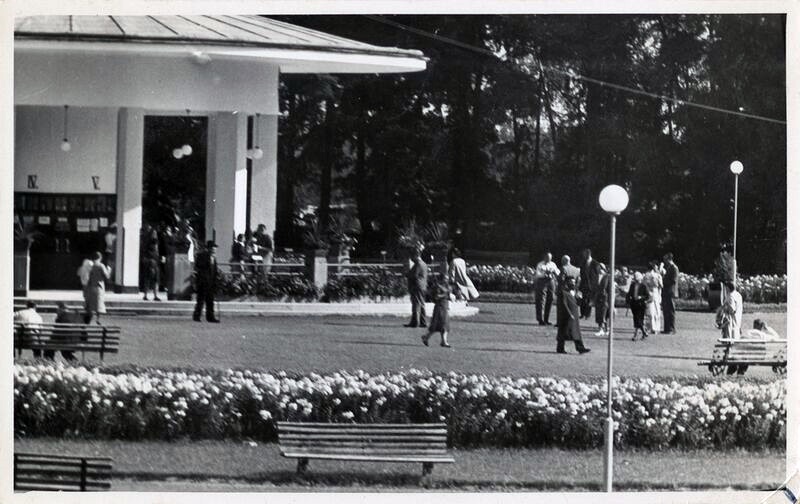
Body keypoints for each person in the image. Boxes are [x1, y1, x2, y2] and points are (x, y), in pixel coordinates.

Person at [556, 277, 590, 354]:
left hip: (574, 314)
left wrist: (580, 298)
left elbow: (576, 303)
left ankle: (580, 348)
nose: (573, 284)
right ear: (567, 282)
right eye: (571, 282)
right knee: (564, 332)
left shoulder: (573, 292)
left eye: (574, 282)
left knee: (575, 332)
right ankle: (560, 348)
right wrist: (569, 314)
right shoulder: (563, 292)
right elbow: (564, 304)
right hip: (566, 315)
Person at [716, 281, 744, 374]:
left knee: (728, 343)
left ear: (728, 288)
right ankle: (733, 363)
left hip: (730, 323)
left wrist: (723, 308)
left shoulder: (730, 296)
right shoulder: (738, 295)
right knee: (734, 343)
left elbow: (732, 309)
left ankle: (730, 364)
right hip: (737, 322)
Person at [193, 241, 221, 323]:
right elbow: (199, 266)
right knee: (201, 300)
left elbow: (214, 271)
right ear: (208, 248)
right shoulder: (202, 255)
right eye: (213, 247)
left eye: (215, 248)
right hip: (203, 281)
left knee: (210, 300)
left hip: (211, 282)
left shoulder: (214, 258)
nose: (214, 249)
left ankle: (210, 317)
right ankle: (197, 315)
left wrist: (216, 281)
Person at [421, 279, 452, 348]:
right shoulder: (437, 288)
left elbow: (447, 294)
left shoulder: (445, 287)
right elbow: (436, 297)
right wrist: (444, 293)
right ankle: (427, 337)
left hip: (444, 307)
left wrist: (447, 293)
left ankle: (443, 341)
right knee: (439, 325)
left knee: (444, 325)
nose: (446, 280)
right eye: (445, 278)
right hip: (439, 307)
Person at [404, 247, 428, 328]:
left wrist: (407, 274)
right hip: (423, 286)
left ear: (415, 255)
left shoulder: (418, 264)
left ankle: (415, 322)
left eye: (412, 256)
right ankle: (423, 322)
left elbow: (413, 275)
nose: (411, 258)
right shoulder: (424, 264)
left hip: (417, 286)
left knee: (416, 304)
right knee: (421, 304)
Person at [86, 251, 112, 325]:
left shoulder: (92, 266)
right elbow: (107, 276)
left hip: (92, 286)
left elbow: (89, 278)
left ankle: (89, 319)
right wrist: (109, 270)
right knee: (99, 303)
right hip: (99, 286)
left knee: (92, 304)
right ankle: (98, 319)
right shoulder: (101, 266)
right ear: (100, 258)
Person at [534, 252, 560, 326]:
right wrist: (545, 274)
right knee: (541, 300)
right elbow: (538, 274)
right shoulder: (540, 264)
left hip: (551, 282)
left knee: (550, 299)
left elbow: (558, 272)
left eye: (550, 258)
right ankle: (540, 319)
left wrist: (554, 272)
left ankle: (546, 319)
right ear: (544, 257)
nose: (549, 259)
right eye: (547, 257)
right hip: (542, 281)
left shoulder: (553, 264)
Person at [627, 271, 651, 341]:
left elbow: (648, 296)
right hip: (634, 304)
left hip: (641, 304)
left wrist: (641, 297)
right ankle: (643, 333)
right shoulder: (632, 285)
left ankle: (636, 335)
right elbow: (629, 293)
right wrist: (628, 300)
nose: (636, 280)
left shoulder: (644, 286)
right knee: (637, 319)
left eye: (637, 278)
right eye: (635, 278)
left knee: (638, 319)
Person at [642, 261, 664, 334]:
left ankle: (650, 327)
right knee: (657, 311)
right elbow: (661, 286)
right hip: (656, 293)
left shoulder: (646, 275)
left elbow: (644, 285)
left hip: (649, 292)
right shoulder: (658, 275)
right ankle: (656, 328)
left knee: (650, 311)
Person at [579, 248, 601, 319]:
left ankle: (587, 314)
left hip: (592, 285)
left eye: (584, 254)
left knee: (589, 300)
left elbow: (597, 276)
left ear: (588, 254)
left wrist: (595, 285)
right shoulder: (583, 263)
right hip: (584, 285)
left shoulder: (595, 263)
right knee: (583, 300)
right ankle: (582, 314)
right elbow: (581, 274)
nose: (583, 255)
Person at [661, 253, 680, 334]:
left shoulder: (674, 268)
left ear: (669, 259)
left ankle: (671, 329)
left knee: (671, 311)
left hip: (671, 292)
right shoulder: (669, 268)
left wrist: (663, 281)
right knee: (666, 310)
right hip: (666, 291)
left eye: (665, 259)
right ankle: (666, 328)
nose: (664, 261)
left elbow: (673, 280)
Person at [594, 263, 611, 336]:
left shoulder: (607, 277)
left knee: (604, 314)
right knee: (599, 313)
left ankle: (603, 329)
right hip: (598, 298)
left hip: (605, 298)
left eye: (598, 267)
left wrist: (609, 299)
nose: (597, 269)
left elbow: (609, 289)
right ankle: (602, 329)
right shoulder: (596, 277)